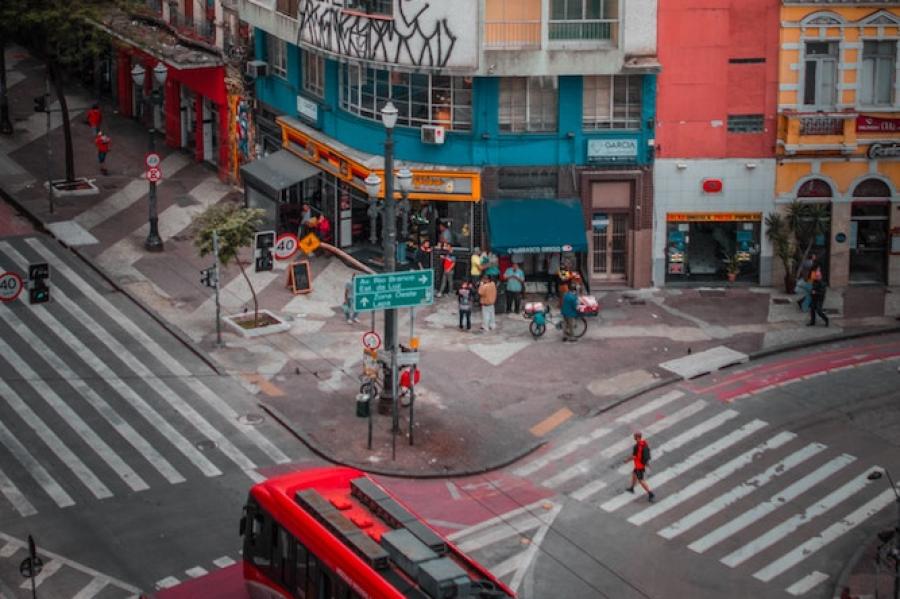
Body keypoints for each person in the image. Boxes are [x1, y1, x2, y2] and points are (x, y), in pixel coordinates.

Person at [623, 431, 655, 502]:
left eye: (634, 436)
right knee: (634, 474)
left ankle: (650, 493)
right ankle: (632, 488)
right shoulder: (644, 443)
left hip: (639, 466)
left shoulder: (636, 446)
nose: (634, 437)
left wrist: (627, 460)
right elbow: (646, 454)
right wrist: (647, 463)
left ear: (637, 437)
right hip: (642, 464)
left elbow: (634, 456)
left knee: (641, 480)